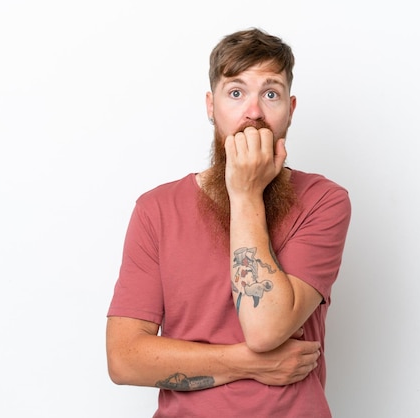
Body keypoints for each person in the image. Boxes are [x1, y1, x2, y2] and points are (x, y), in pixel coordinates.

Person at [106, 27, 351, 417]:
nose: (253, 112)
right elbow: (125, 360)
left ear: (291, 108)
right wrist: (248, 363)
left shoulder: (324, 200)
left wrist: (245, 193)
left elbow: (265, 328)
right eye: (236, 92)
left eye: (270, 93)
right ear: (210, 106)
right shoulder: (156, 209)